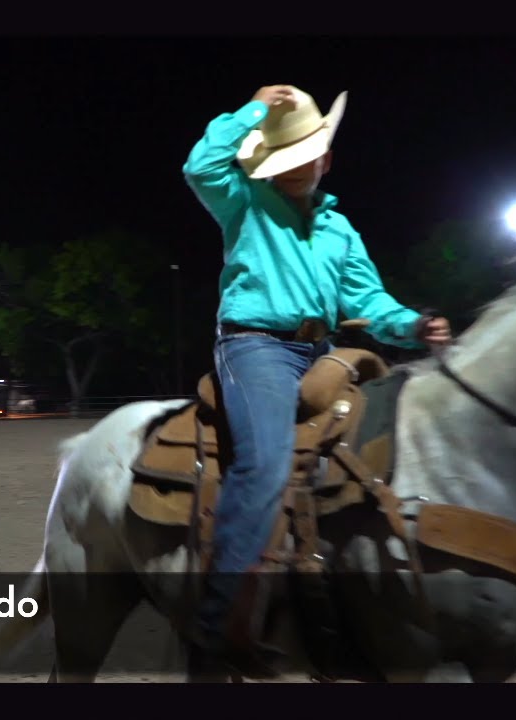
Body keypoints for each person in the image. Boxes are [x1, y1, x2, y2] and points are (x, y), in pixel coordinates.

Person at [181, 84, 452, 677]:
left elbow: (368, 300)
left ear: (327, 156)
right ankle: (215, 631)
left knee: (384, 445)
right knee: (265, 463)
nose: (303, 164)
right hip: (255, 346)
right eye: (290, 154)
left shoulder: (339, 228)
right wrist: (254, 109)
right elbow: (199, 166)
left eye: (311, 152)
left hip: (323, 350)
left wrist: (414, 324)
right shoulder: (243, 199)